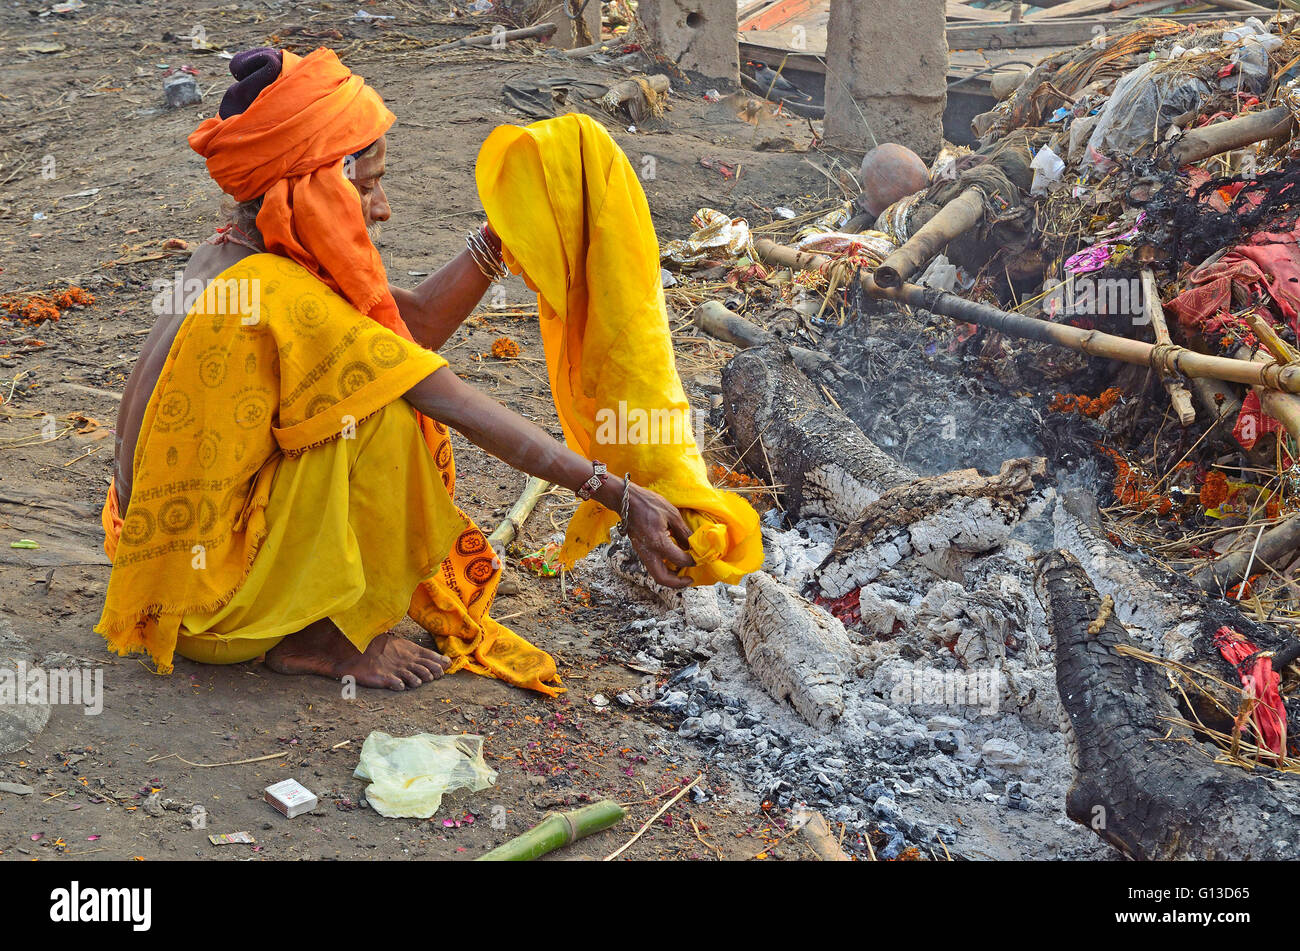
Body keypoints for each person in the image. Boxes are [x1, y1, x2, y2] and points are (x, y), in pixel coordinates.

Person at [98, 47, 701, 696]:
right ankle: (323, 642)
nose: (381, 209)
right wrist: (618, 493)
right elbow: (448, 396)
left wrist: (503, 233)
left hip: (149, 560)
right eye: (366, 186)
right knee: (385, 415)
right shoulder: (282, 295)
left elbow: (403, 328)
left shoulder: (239, 252)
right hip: (204, 607)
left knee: (377, 378)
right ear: (313, 188)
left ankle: (302, 611)